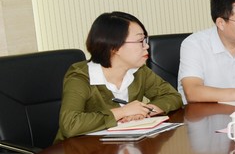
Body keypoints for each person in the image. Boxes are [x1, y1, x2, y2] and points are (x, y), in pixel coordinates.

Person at [55, 12, 182, 141]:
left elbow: (172, 96)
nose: (147, 46)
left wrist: (144, 111)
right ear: (114, 47)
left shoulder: (138, 70)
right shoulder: (80, 76)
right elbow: (70, 124)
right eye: (140, 41)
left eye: (145, 40)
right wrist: (123, 112)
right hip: (80, 150)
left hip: (122, 146)